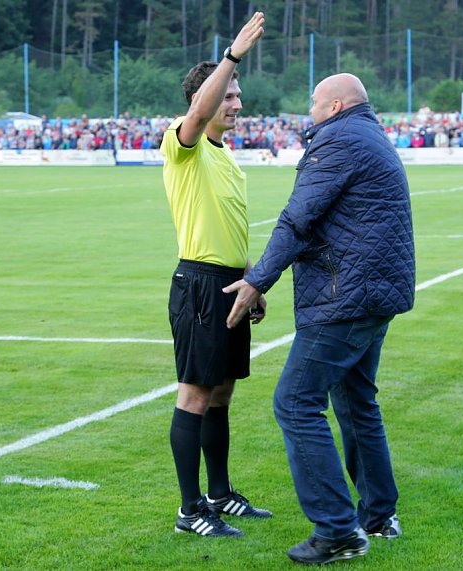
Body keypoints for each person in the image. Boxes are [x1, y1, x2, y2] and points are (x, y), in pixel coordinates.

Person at [223, 73, 415, 564]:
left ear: (334, 105)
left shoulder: (338, 142)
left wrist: (257, 281)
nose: (307, 110)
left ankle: (337, 529)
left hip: (345, 295)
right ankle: (378, 516)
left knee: (295, 402)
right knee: (355, 401)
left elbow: (297, 219)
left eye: (312, 101)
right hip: (373, 292)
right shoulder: (369, 134)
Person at [160, 11, 269, 539]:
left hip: (230, 284)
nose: (236, 103)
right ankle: (188, 510)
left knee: (222, 393)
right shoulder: (184, 144)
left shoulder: (229, 159)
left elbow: (232, 228)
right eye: (228, 95)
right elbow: (199, 114)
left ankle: (220, 495)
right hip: (199, 284)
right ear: (205, 98)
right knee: (195, 394)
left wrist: (254, 280)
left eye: (237, 95)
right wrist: (232, 55)